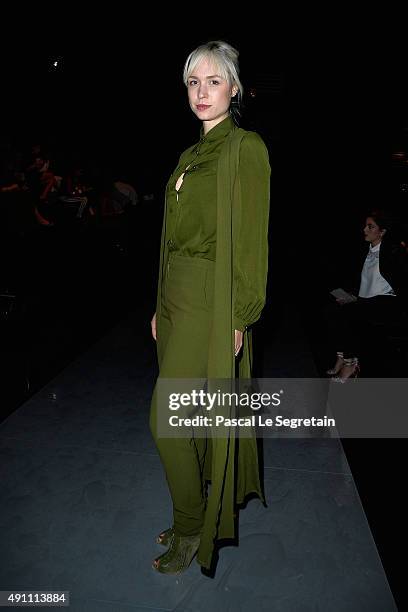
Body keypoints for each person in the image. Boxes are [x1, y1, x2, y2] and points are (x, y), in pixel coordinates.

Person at [148, 40, 271, 574]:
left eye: (213, 80)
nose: (202, 91)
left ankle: (193, 525)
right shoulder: (188, 155)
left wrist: (240, 316)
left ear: (235, 88)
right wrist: (159, 304)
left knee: (166, 419)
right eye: (193, 82)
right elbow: (169, 238)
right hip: (174, 297)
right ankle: (189, 512)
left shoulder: (245, 148)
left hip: (209, 300)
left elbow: (250, 242)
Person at [327, 210, 408, 382]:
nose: (365, 229)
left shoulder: (391, 251)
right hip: (366, 301)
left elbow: (399, 278)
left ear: (382, 231)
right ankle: (341, 357)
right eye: (365, 225)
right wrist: (352, 296)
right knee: (335, 309)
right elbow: (362, 282)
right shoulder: (365, 252)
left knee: (350, 314)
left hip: (385, 302)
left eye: (370, 226)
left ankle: (351, 364)